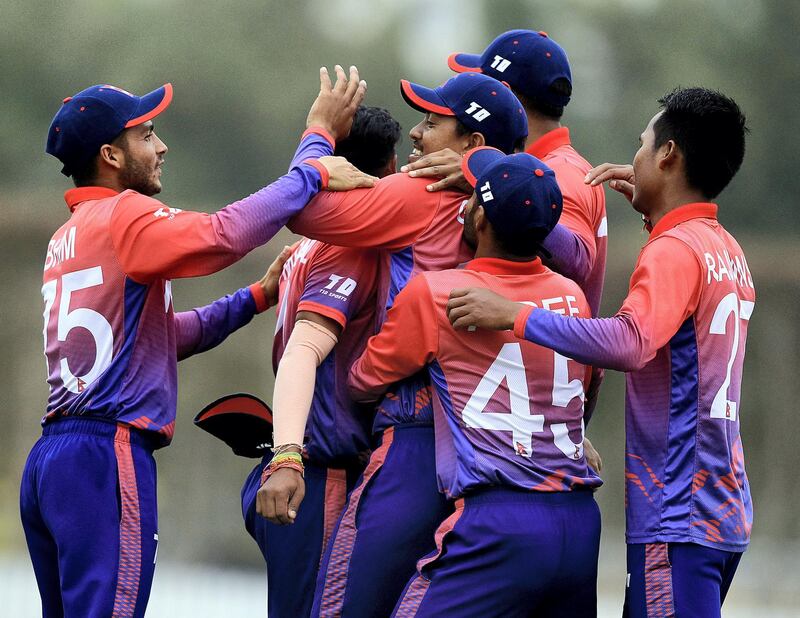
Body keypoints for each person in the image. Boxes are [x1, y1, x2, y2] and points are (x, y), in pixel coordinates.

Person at [20, 66, 371, 617]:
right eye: (146, 134)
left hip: (51, 463)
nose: (160, 146)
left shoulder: (69, 234)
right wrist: (313, 166)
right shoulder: (125, 215)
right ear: (111, 156)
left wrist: (255, 297)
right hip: (104, 457)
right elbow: (222, 235)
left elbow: (162, 337)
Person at [446, 87, 753, 618]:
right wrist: (656, 209)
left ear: (668, 155)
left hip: (676, 512)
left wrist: (514, 315)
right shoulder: (723, 247)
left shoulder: (674, 250)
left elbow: (632, 342)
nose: (631, 158)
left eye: (641, 144)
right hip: (721, 508)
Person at [282, 72, 528, 617]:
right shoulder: (538, 223)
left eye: (432, 122)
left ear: (474, 144)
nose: (416, 135)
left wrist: (319, 132)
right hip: (510, 454)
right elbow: (579, 263)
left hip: (416, 436)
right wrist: (484, 173)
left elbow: (298, 209)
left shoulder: (422, 192)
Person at [348, 147, 601, 617]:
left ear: (478, 215)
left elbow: (362, 380)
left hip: (498, 519)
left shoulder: (438, 291)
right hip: (580, 523)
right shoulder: (573, 296)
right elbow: (587, 389)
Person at [403, 28, 608, 461]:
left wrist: (489, 172)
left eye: (485, 82)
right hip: (528, 388)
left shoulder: (556, 173)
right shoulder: (540, 167)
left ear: (508, 95)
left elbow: (577, 258)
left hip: (529, 391)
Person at [239, 106, 402, 618]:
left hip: (307, 470)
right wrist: (288, 459)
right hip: (317, 474)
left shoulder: (310, 242)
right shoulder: (351, 247)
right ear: (388, 172)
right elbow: (302, 351)